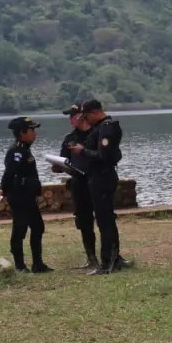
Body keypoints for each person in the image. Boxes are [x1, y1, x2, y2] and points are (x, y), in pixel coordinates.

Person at [69, 99, 125, 275]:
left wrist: (82, 151)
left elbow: (104, 156)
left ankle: (107, 262)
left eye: (86, 116)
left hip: (102, 178)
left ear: (94, 112)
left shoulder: (107, 127)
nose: (86, 120)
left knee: (104, 221)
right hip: (97, 177)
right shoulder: (99, 128)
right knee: (105, 220)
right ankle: (113, 259)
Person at [0, 117, 52, 273]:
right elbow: (9, 173)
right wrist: (3, 189)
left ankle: (38, 264)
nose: (35, 134)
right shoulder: (16, 151)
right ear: (22, 133)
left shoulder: (24, 149)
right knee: (20, 231)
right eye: (32, 130)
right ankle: (20, 266)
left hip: (28, 196)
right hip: (20, 196)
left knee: (37, 227)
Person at [55, 104, 99, 270]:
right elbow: (64, 160)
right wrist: (57, 166)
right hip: (79, 183)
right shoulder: (69, 138)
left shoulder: (97, 133)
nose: (70, 119)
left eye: (73, 115)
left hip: (97, 181)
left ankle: (113, 255)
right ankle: (91, 257)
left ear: (82, 115)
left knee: (105, 219)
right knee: (83, 221)